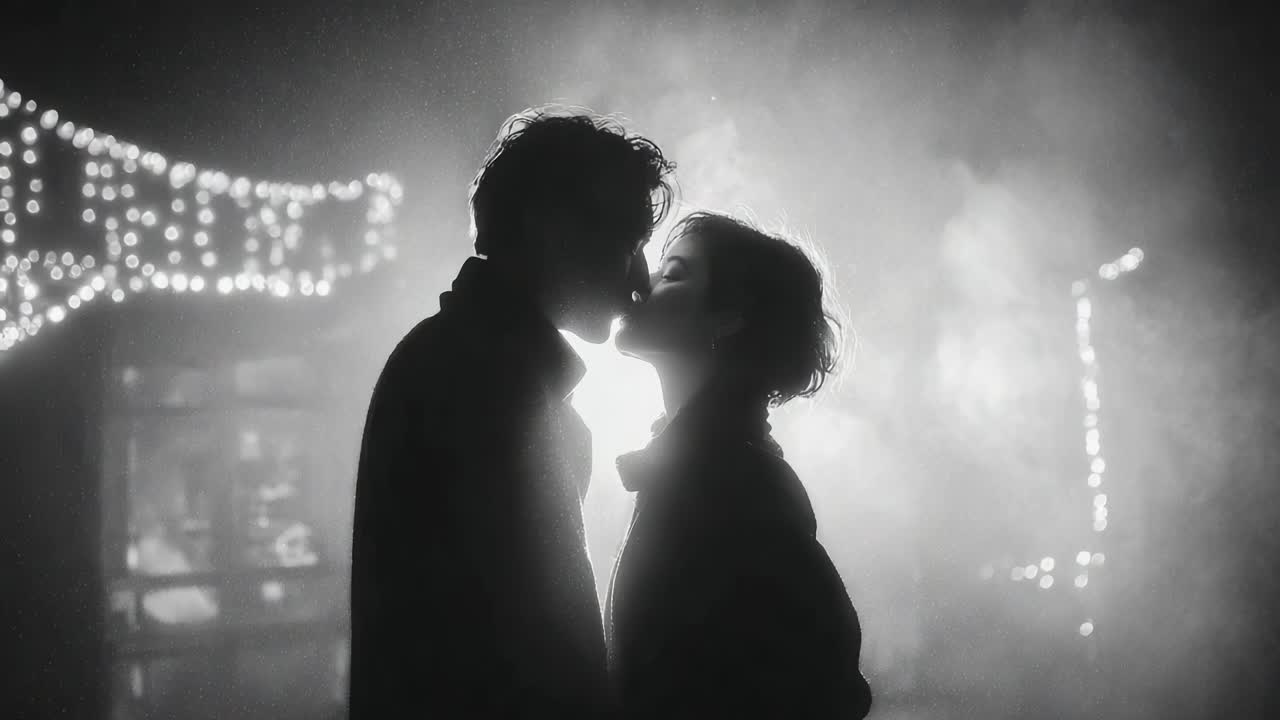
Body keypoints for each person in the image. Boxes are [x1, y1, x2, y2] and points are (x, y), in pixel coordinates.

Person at [348, 107, 675, 718]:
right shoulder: (492, 385)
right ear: (554, 230)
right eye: (629, 244)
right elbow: (547, 657)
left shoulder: (458, 360)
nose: (639, 279)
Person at [606, 212, 873, 718]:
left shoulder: (733, 484)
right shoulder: (705, 468)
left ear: (729, 317)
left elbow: (823, 685)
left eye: (674, 273)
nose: (642, 284)